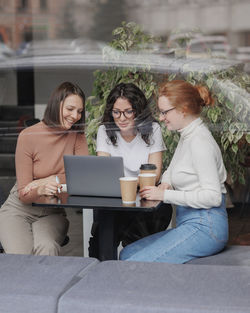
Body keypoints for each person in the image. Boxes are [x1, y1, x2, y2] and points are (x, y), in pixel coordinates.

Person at [120, 79, 228, 263]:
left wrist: (164, 195)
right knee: (127, 253)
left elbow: (213, 197)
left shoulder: (199, 142)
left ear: (183, 108)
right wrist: (165, 183)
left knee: (133, 263)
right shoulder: (187, 136)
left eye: (164, 112)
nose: (161, 118)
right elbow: (173, 169)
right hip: (192, 222)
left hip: (206, 226)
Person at [0, 82, 88, 255]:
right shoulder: (28, 136)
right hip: (18, 209)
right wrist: (43, 186)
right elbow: (24, 194)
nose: (75, 116)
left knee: (46, 246)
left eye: (79, 111)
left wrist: (48, 181)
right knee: (20, 256)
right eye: (70, 109)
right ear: (57, 104)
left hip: (52, 212)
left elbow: (81, 180)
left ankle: (50, 283)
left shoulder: (77, 137)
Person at [89, 82, 172, 257]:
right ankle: (104, 274)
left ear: (138, 111)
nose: (122, 118)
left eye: (128, 111)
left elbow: (155, 176)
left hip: (144, 198)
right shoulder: (105, 130)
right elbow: (105, 173)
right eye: (116, 112)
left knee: (142, 240)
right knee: (100, 246)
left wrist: (128, 185)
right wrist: (131, 186)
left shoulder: (153, 129)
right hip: (116, 200)